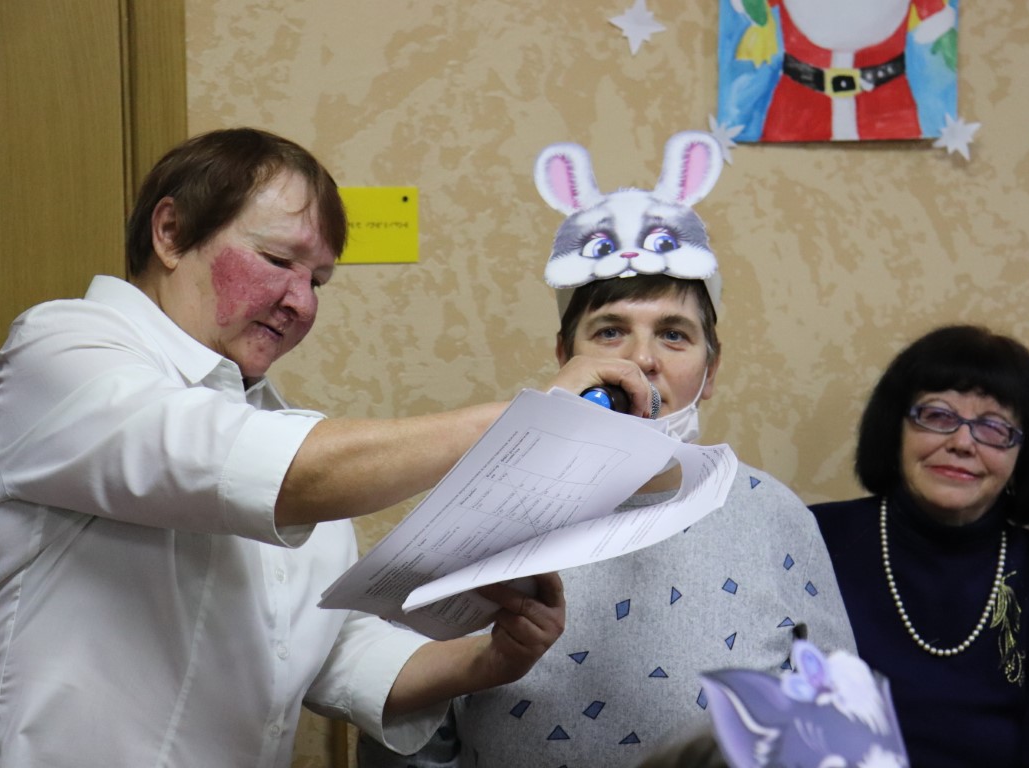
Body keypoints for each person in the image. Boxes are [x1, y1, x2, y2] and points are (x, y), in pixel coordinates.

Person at [0, 127, 659, 767]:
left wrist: (491, 659)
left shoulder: (273, 420)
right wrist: (525, 422)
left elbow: (332, 655)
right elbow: (255, 467)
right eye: (277, 261)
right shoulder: (61, 355)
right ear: (171, 232)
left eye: (317, 280)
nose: (300, 303)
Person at [358, 131, 856, 766]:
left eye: (674, 335)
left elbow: (834, 729)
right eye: (611, 331)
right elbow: (404, 728)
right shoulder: (477, 507)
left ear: (711, 370)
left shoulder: (774, 516)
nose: (642, 359)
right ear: (564, 357)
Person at [811, 324, 1029, 767]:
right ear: (896, 428)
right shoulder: (812, 540)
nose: (962, 443)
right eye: (937, 415)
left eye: (994, 427)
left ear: (1024, 455)